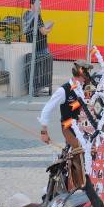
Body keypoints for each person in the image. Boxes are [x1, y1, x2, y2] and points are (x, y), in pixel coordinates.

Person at [39, 62, 92, 190]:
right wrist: (44, 131)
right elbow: (47, 109)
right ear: (81, 74)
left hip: (82, 126)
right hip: (68, 126)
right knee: (79, 150)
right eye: (86, 75)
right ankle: (81, 183)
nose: (87, 78)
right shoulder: (63, 90)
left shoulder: (83, 87)